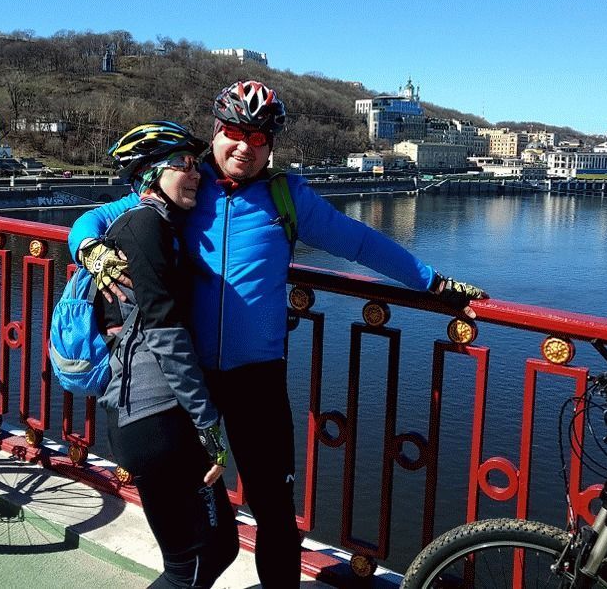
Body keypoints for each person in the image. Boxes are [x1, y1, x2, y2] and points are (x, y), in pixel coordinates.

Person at [71, 82, 487, 588]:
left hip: (257, 378)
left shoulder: (286, 197)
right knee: (201, 530)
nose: (244, 146)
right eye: (234, 132)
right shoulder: (187, 181)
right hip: (189, 381)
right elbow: (98, 217)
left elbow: (359, 242)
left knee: (274, 510)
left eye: (258, 137)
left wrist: (433, 283)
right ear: (215, 131)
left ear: (271, 145)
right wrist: (89, 249)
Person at [96, 121, 239, 588]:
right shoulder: (144, 227)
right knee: (191, 564)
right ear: (150, 174)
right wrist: (207, 422)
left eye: (196, 164)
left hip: (159, 415)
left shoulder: (162, 226)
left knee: (218, 548)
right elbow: (164, 331)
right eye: (182, 164)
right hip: (155, 418)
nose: (195, 173)